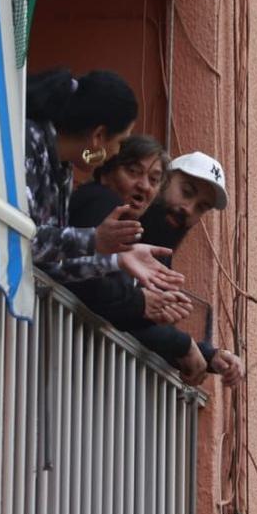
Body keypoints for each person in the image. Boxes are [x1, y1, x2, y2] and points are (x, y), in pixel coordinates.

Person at [68, 149, 244, 386]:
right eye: (187, 192)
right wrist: (181, 344)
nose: (189, 209)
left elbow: (139, 327)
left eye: (201, 207)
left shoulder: (158, 258)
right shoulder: (110, 213)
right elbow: (94, 296)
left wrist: (208, 356)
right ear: (162, 181)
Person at [24, 69, 181, 293]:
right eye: (119, 142)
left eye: (155, 179)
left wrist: (117, 260)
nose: (116, 153)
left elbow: (48, 263)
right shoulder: (28, 142)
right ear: (99, 136)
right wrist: (93, 239)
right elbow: (21, 238)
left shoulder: (63, 168)